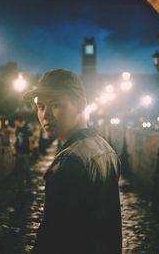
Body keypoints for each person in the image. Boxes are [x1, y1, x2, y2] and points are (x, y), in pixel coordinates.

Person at [23, 69, 122, 254]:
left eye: (56, 105)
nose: (45, 115)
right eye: (40, 106)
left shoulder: (69, 161)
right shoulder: (106, 149)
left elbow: (54, 238)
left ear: (80, 104)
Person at [14, 116, 32, 188]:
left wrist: (30, 150)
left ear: (19, 121)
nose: (15, 123)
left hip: (26, 152)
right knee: (19, 169)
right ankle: (20, 184)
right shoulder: (17, 129)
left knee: (26, 168)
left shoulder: (27, 129)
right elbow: (16, 140)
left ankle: (28, 184)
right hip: (19, 152)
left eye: (16, 122)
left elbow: (31, 140)